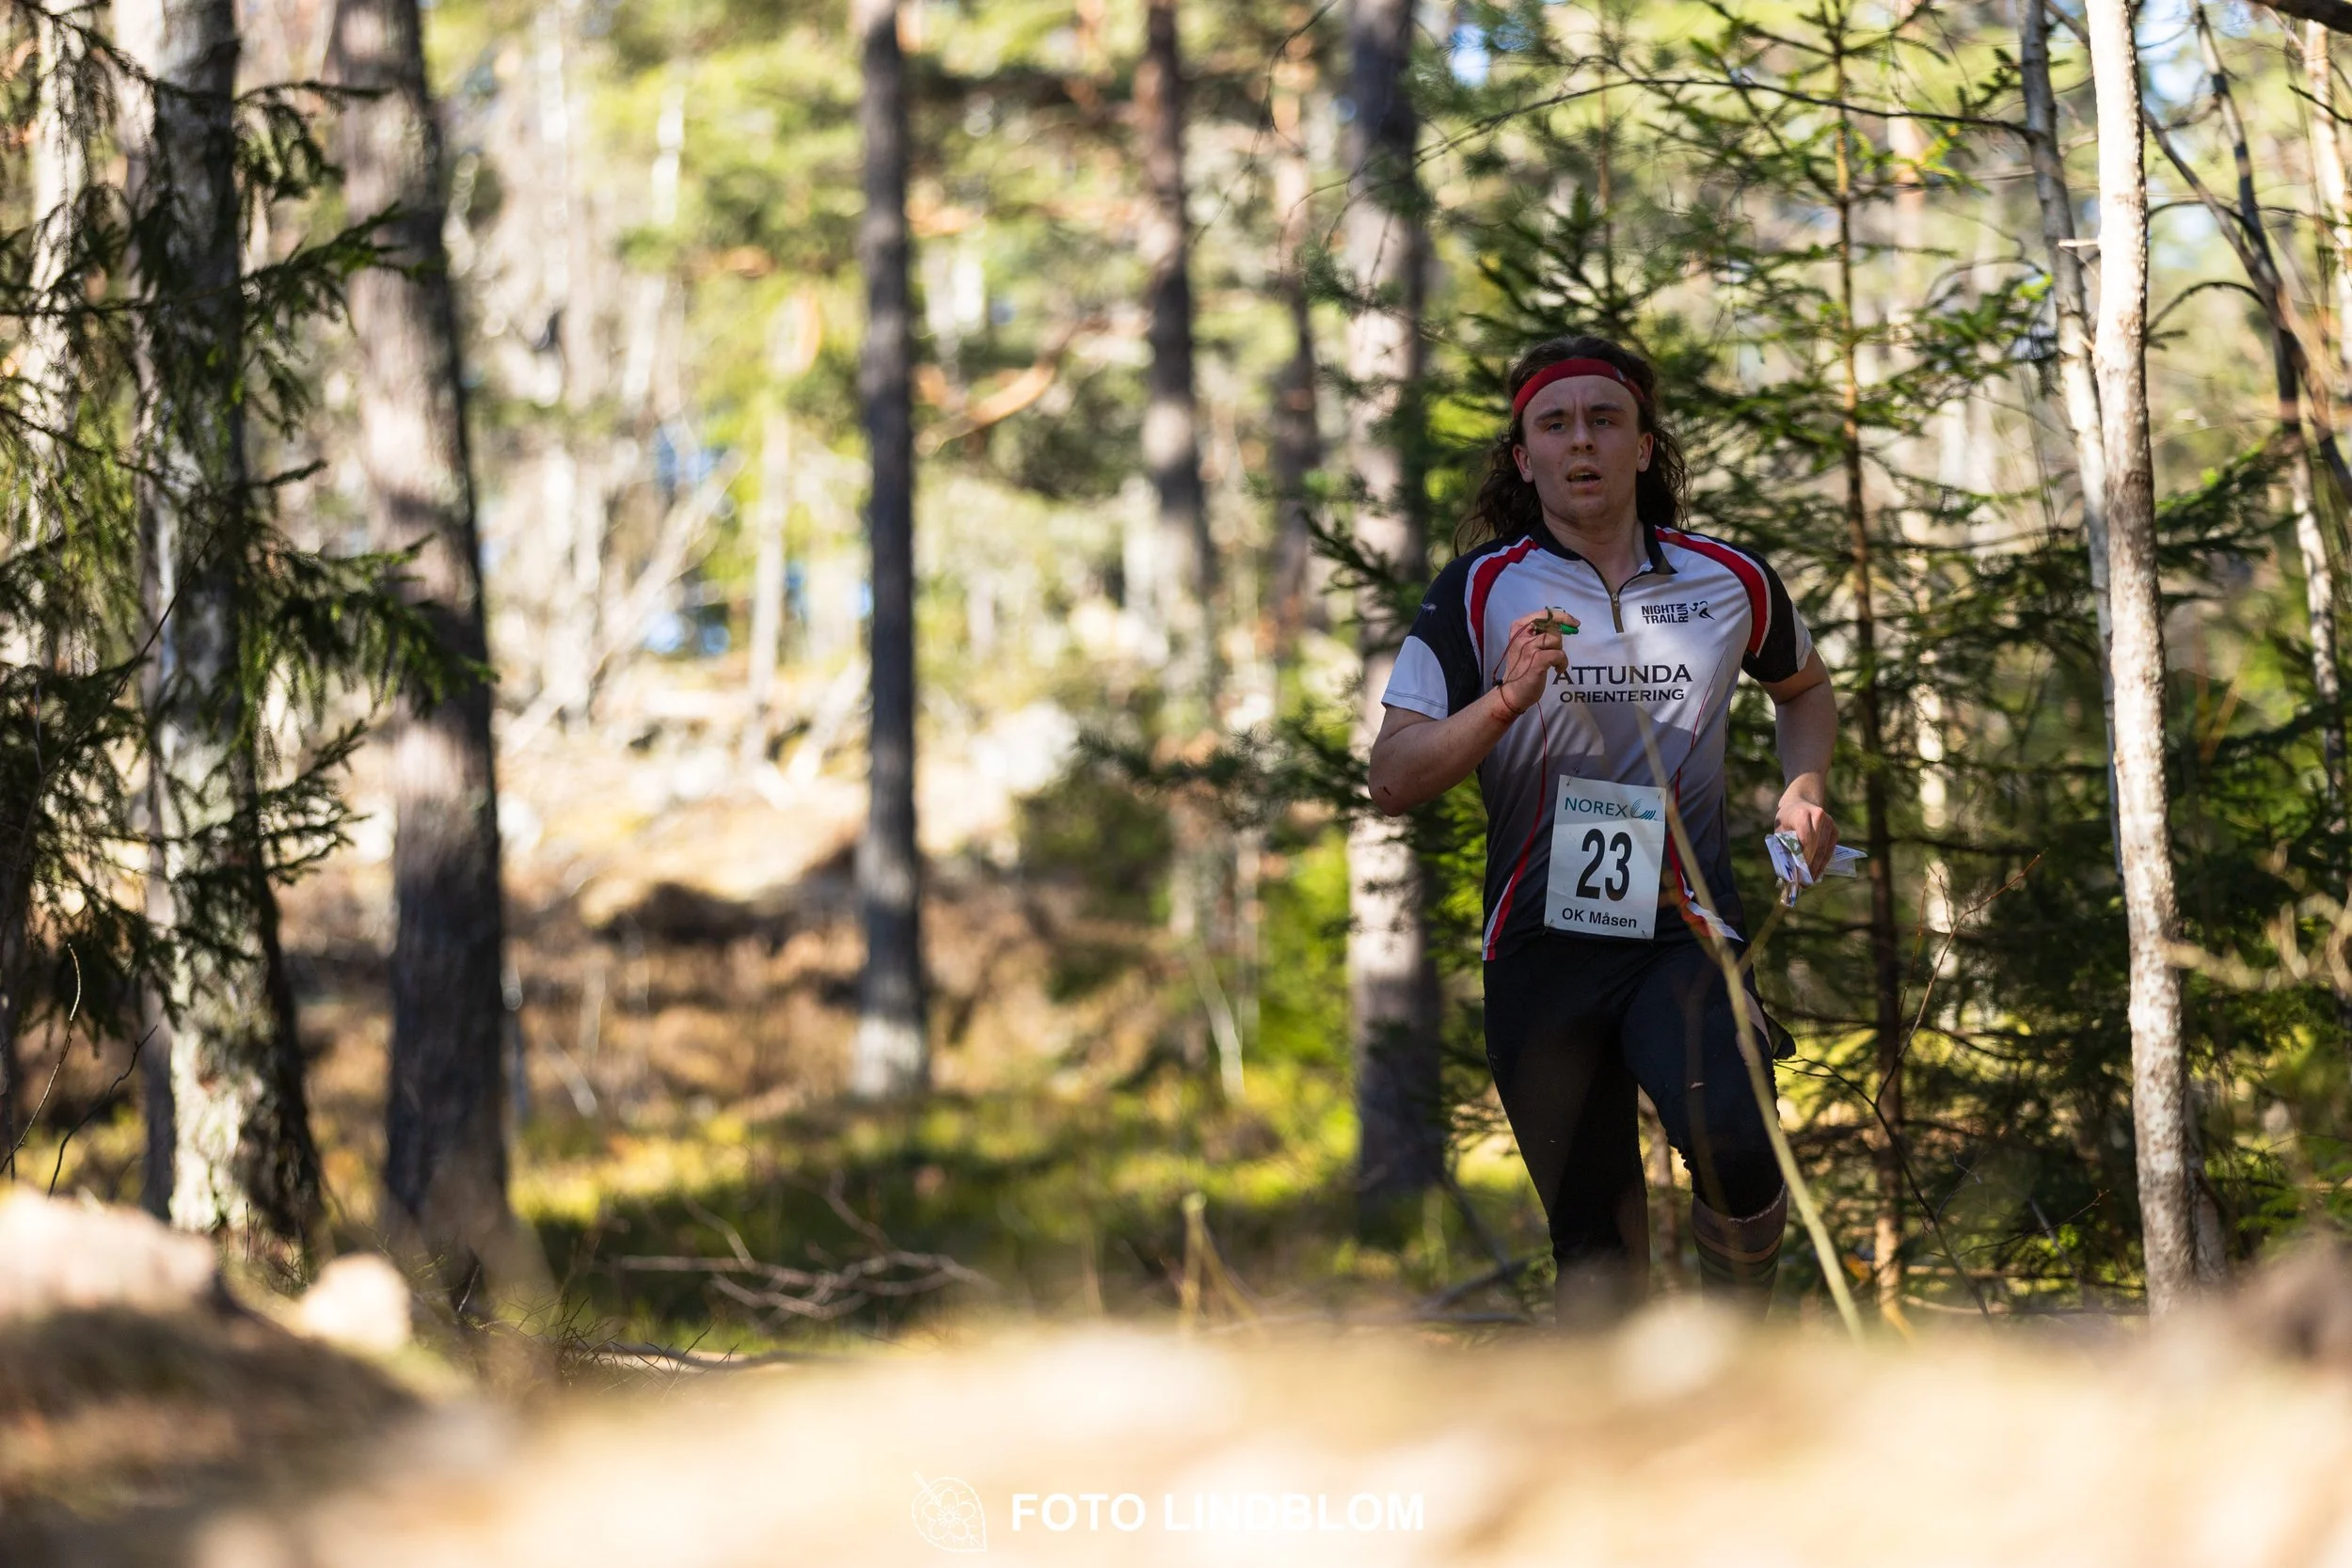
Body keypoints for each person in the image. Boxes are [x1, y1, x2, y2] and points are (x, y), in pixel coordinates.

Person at [1365, 335, 1840, 1324]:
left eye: (1603, 418)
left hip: (1683, 928)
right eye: (1554, 423)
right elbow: (1393, 777)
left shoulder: (1728, 581)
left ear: (1640, 447)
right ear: (1522, 456)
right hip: (1544, 943)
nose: (1580, 440)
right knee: (1596, 1256)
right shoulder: (1478, 591)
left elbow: (1802, 684)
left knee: (1736, 1142)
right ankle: (1623, 1438)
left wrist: (1804, 785)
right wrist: (1502, 702)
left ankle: (1733, 1348)